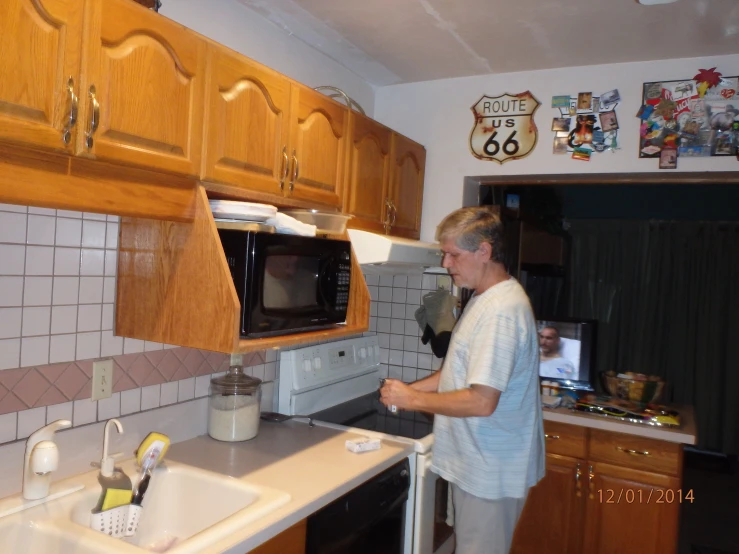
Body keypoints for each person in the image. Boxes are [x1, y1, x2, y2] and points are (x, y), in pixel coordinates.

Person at [380, 207, 545, 554]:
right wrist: (408, 390)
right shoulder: (484, 298)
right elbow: (453, 373)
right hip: (478, 462)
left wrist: (412, 400)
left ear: (483, 251)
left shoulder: (500, 311)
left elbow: (481, 401)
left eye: (453, 254)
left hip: (492, 470)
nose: (446, 263)